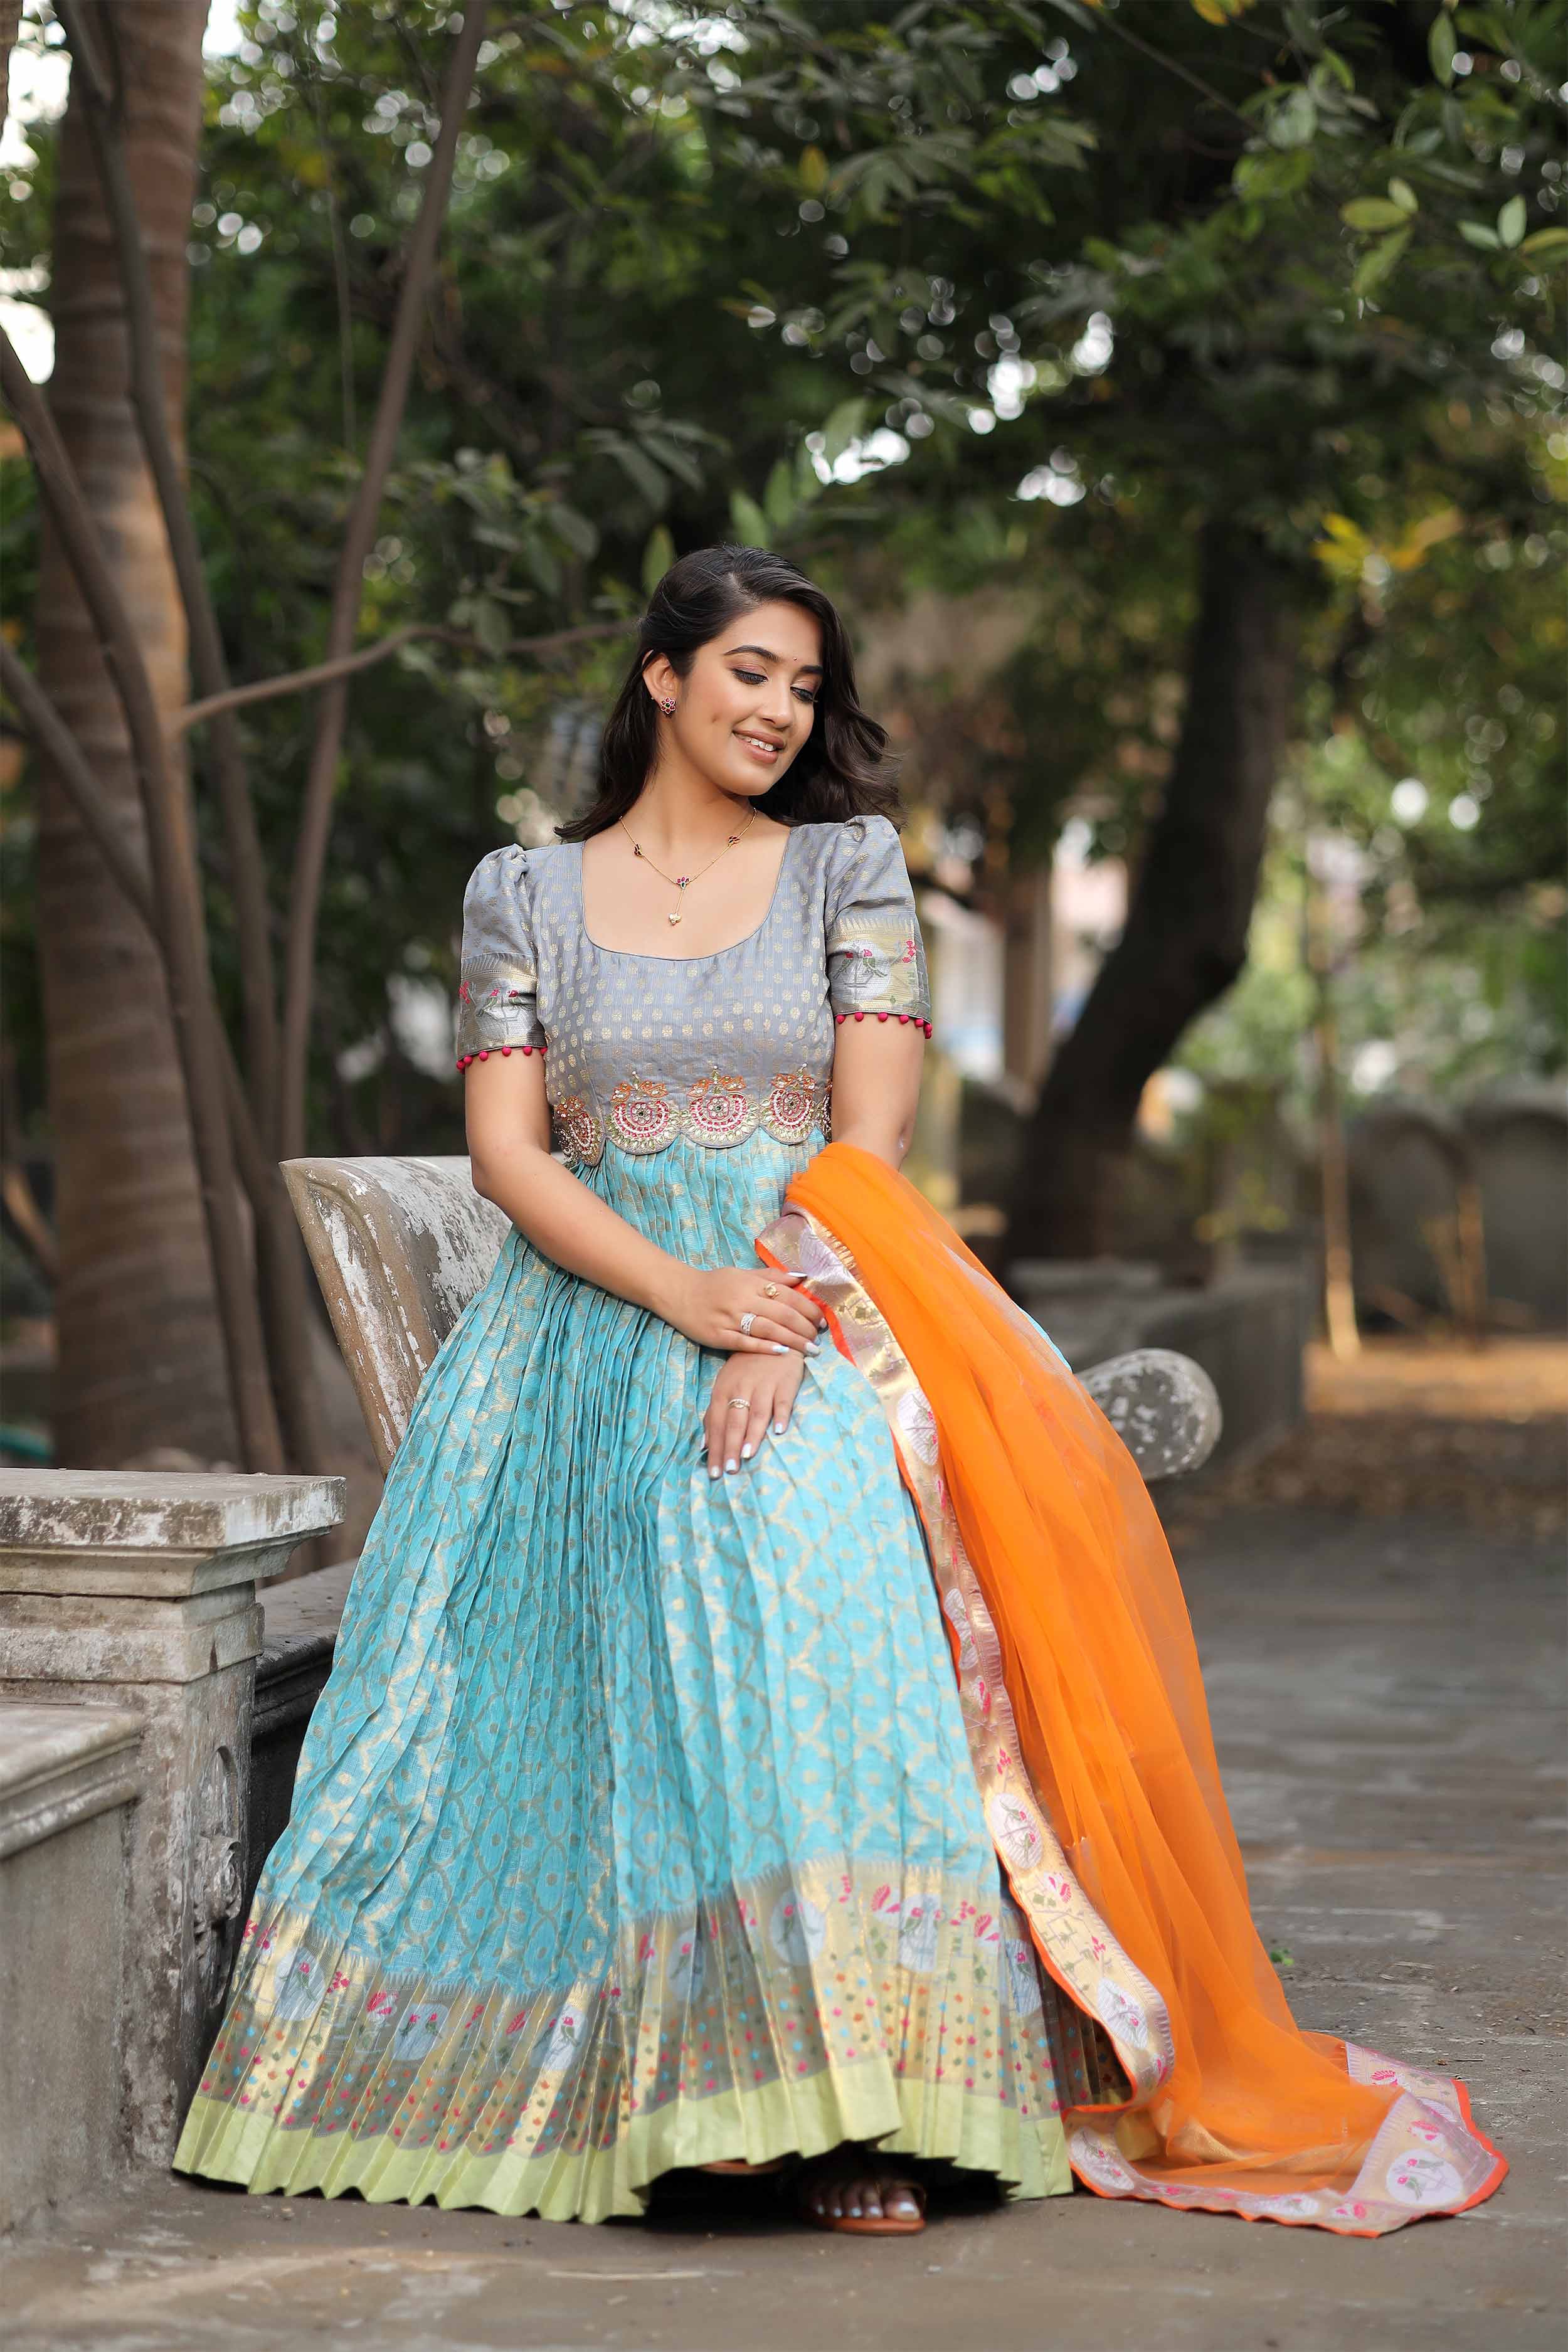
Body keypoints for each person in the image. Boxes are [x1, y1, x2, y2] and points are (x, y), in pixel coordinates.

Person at [175, 546, 1505, 2239]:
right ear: (660, 677)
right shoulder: (523, 892)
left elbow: (863, 1141)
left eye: (802, 686)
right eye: (745, 672)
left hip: (812, 1292)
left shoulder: (842, 871)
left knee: (781, 1533)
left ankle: (858, 2094)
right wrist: (684, 1302)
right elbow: (508, 1156)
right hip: (588, 1325)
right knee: (667, 1515)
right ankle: (710, 2089)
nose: (776, 709)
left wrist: (770, 1321)